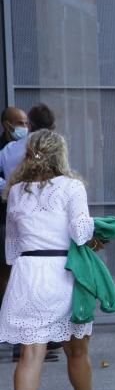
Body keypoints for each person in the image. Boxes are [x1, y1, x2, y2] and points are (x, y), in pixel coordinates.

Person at [0, 130, 107, 390]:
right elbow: (80, 231)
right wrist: (95, 236)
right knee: (77, 349)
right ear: (60, 154)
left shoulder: (15, 191)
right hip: (62, 273)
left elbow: (12, 250)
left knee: (31, 353)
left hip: (27, 274)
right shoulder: (71, 187)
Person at [0, 104, 63, 363]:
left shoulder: (9, 151)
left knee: (20, 279)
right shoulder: (55, 148)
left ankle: (31, 339)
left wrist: (12, 189)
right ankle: (36, 338)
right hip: (41, 225)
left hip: (18, 220)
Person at [0, 107, 28, 312]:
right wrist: (12, 187)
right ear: (7, 124)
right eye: (20, 123)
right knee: (6, 268)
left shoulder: (27, 147)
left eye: (27, 123)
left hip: (26, 217)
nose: (24, 127)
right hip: (4, 217)